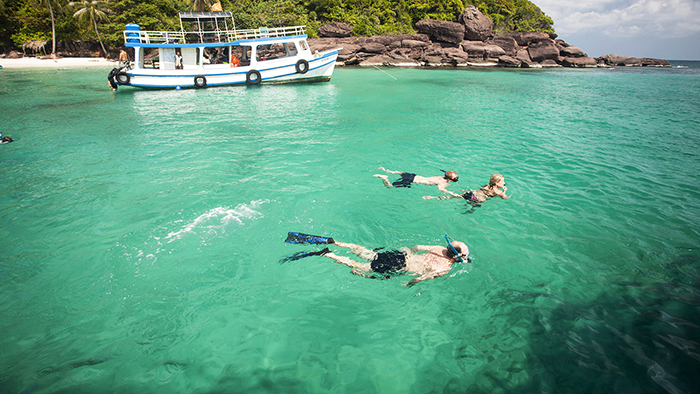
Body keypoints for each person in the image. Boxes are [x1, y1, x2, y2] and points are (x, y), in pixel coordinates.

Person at [311, 237, 470, 286]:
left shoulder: (438, 247)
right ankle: (329, 254)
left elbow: (416, 246)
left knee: (366, 253)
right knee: (358, 266)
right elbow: (423, 278)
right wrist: (410, 283)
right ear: (456, 257)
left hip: (400, 255)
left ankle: (336, 242)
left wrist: (407, 251)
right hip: (400, 266)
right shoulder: (445, 268)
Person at [374, 166, 461, 197]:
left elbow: (448, 174)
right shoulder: (443, 182)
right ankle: (385, 178)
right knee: (390, 187)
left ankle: (388, 171)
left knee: (400, 173)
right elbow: (441, 189)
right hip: (411, 181)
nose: (457, 179)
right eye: (456, 178)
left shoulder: (441, 177)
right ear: (449, 179)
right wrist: (451, 193)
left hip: (413, 175)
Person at [424, 174, 509, 203]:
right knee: (455, 198)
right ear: (497, 183)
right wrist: (504, 191)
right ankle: (434, 198)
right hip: (476, 199)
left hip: (470, 193)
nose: (504, 183)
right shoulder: (497, 191)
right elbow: (504, 198)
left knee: (454, 196)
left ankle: (434, 197)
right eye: (502, 181)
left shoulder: (487, 185)